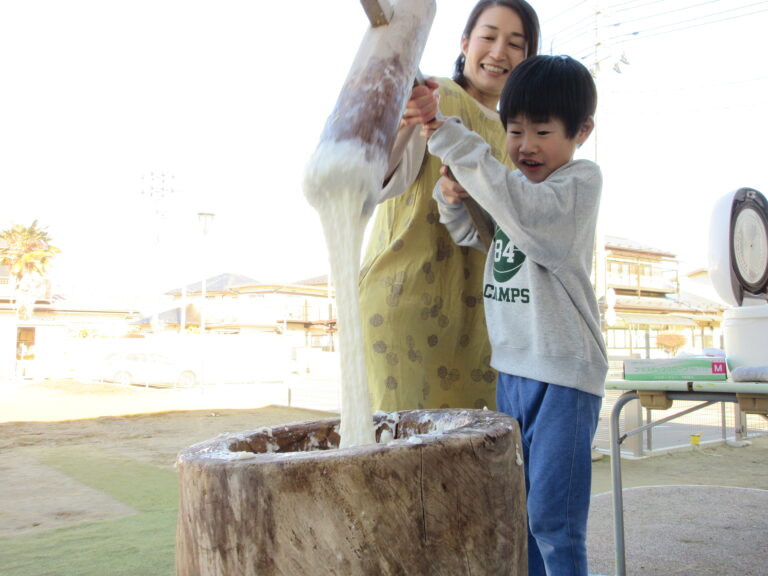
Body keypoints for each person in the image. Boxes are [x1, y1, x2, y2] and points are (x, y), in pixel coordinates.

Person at [424, 55, 607, 575]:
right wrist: (452, 197)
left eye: (543, 132)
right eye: (515, 130)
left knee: (553, 519)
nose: (526, 145)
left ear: (581, 131)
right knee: (519, 511)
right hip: (513, 371)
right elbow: (476, 233)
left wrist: (449, 136)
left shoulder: (578, 184)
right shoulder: (518, 196)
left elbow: (520, 211)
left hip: (563, 376)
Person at [360, 0, 541, 412]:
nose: (499, 52)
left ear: (528, 58)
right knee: (401, 444)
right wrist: (407, 120)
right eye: (488, 37)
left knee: (478, 446)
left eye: (516, 44)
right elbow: (375, 182)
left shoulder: (523, 136)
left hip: (487, 327)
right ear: (465, 44)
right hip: (404, 304)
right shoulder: (432, 95)